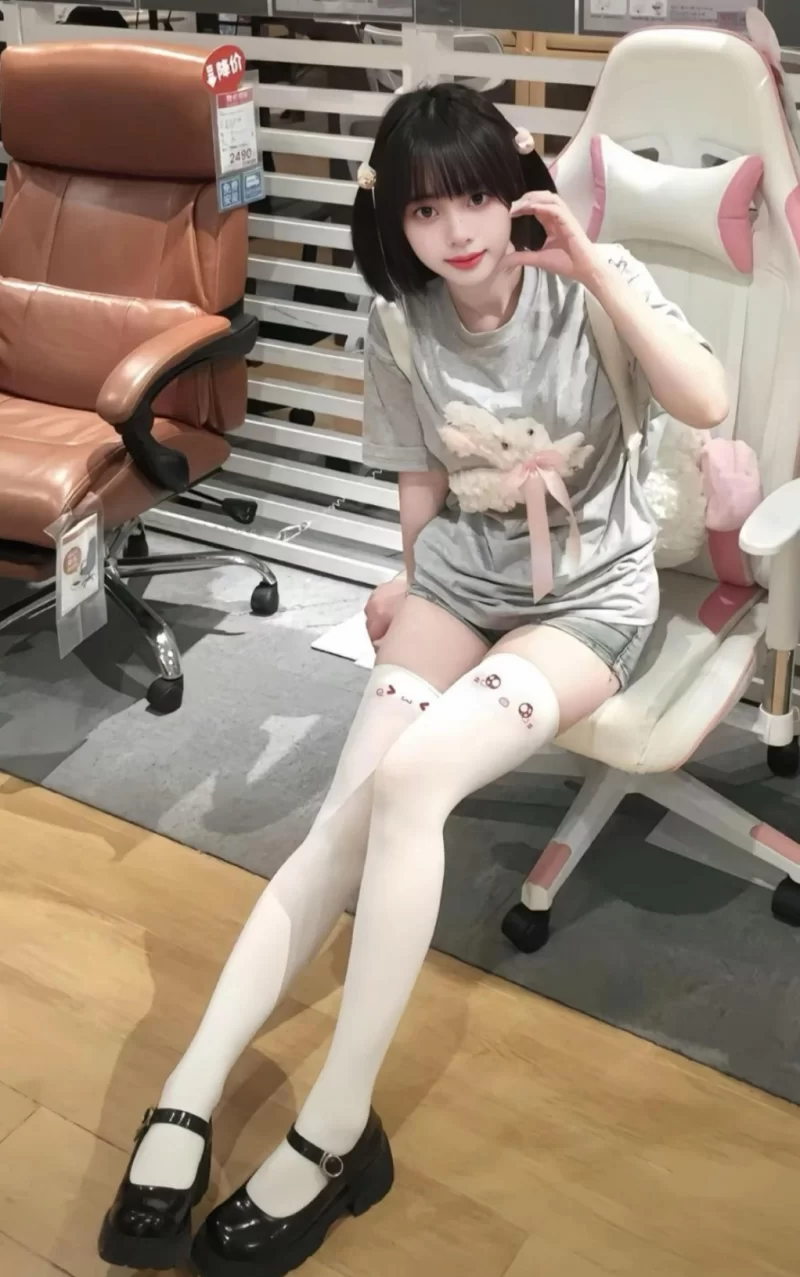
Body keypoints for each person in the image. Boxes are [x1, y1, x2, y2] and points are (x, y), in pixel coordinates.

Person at [98, 82, 728, 1277]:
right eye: (426, 209)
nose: (457, 230)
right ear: (393, 219)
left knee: (411, 784)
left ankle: (335, 1130)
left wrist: (596, 269)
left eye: (476, 197)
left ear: (516, 189)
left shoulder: (588, 288)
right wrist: (405, 583)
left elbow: (704, 398)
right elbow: (420, 486)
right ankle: (187, 1088)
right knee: (342, 818)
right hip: (458, 584)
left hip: (586, 603)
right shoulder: (397, 324)